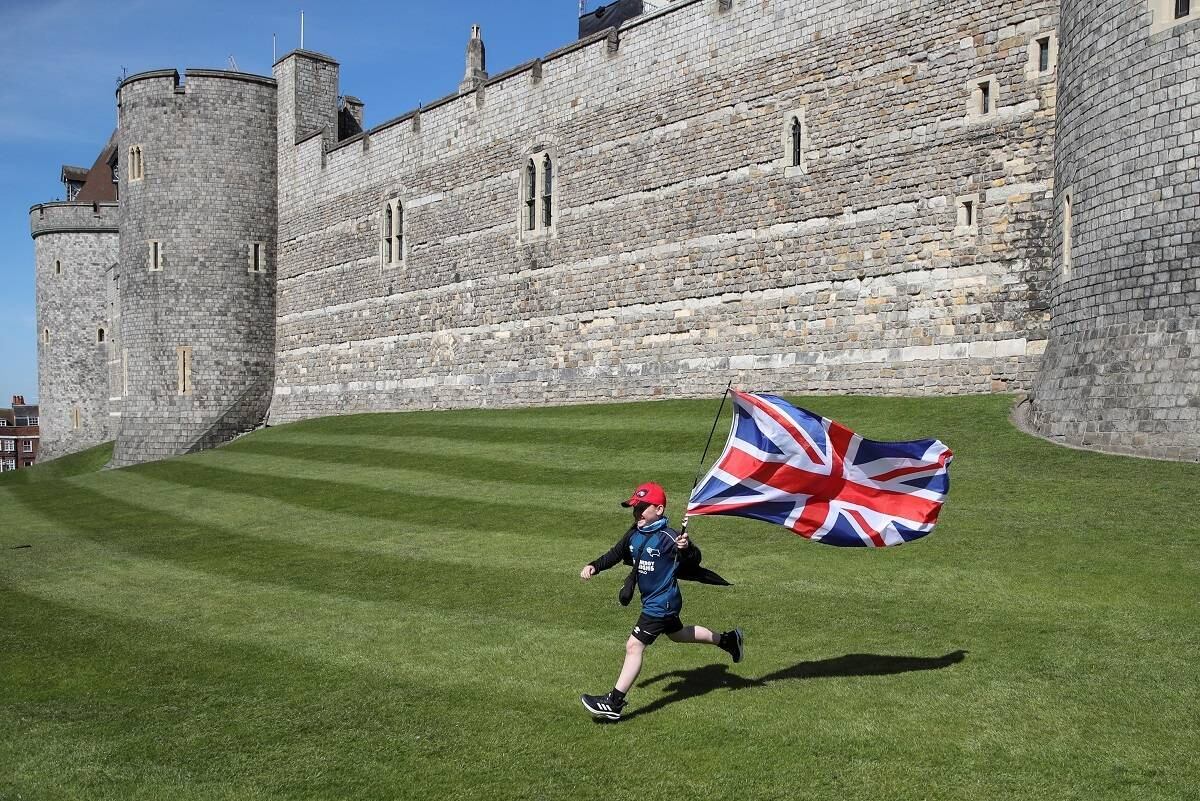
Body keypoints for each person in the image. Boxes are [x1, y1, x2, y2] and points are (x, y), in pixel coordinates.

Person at [579, 481, 743, 721]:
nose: (637, 513)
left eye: (641, 508)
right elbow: (616, 554)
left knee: (633, 646)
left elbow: (695, 559)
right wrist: (595, 565)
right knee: (678, 635)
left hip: (662, 603)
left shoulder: (670, 537)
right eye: (635, 508)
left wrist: (686, 549)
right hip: (655, 602)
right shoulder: (635, 533)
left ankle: (613, 703)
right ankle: (728, 640)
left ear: (659, 509)